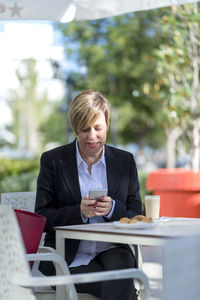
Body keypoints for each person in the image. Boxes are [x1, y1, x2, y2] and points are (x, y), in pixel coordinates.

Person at [35, 90, 142, 300]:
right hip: (66, 257)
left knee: (121, 272)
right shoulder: (53, 161)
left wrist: (113, 209)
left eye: (98, 128)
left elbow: (137, 214)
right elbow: (42, 216)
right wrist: (79, 212)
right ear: (75, 129)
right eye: (84, 130)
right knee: (122, 284)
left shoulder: (125, 161)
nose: (92, 136)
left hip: (114, 250)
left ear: (107, 124)